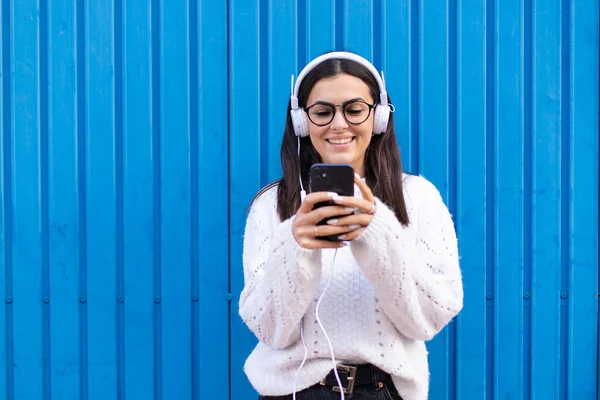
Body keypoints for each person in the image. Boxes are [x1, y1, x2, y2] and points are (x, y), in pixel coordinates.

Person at [239, 51, 463, 400]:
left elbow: (429, 318)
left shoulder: (418, 198)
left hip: (382, 390)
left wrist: (377, 231)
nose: (338, 125)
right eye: (323, 112)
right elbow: (271, 330)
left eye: (354, 109)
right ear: (302, 122)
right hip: (293, 391)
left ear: (380, 117)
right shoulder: (271, 206)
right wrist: (294, 244)